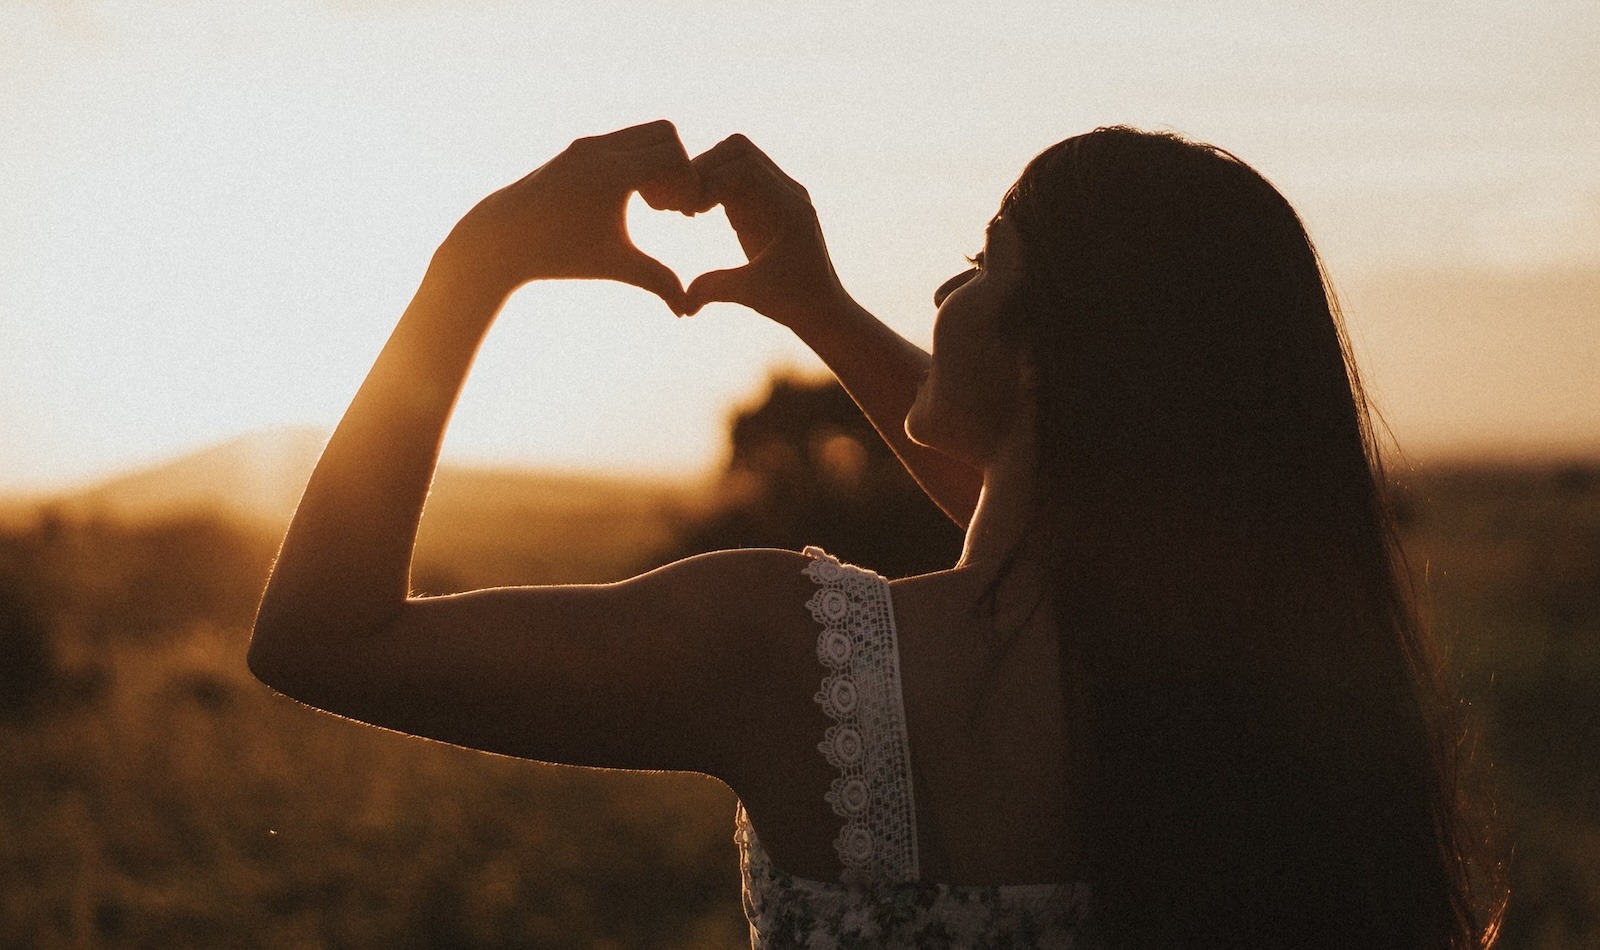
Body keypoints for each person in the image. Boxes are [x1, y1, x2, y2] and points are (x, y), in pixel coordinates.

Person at [249, 120, 1501, 948]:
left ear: (1057, 354)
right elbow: (1086, 521)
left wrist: (479, 257)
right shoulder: (1263, 703)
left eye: (981, 257)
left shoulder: (791, 657)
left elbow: (322, 634)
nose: (946, 289)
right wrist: (818, 305)